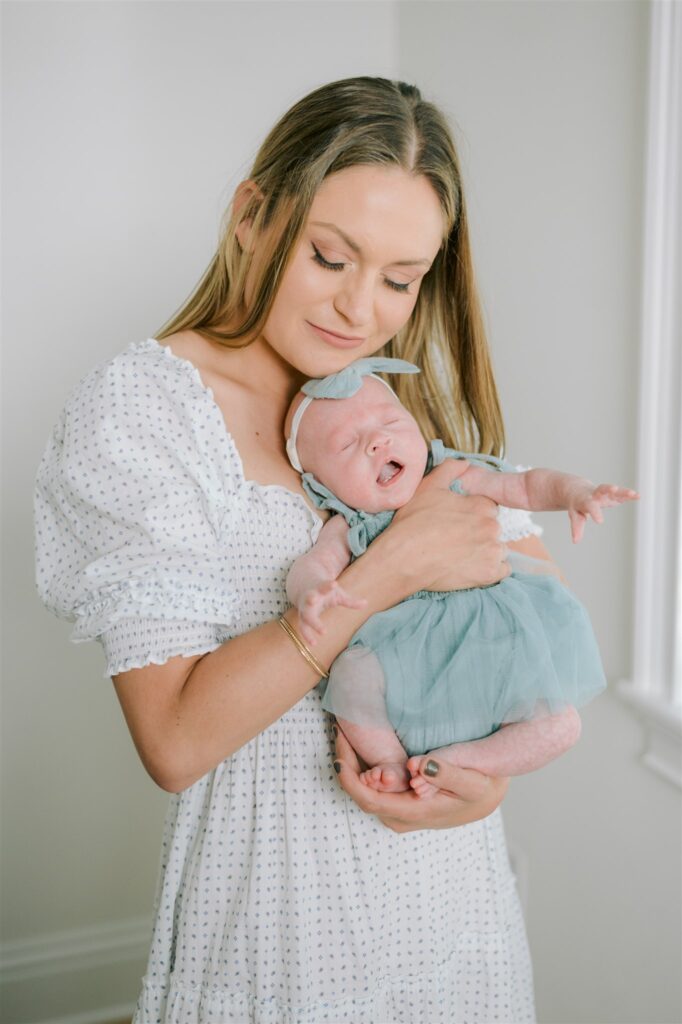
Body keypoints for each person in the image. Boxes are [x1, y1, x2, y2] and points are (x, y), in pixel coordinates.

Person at [33, 76, 556, 1022]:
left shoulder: (400, 400)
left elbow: (534, 624)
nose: (360, 308)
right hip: (275, 907)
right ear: (251, 216)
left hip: (449, 895)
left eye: (400, 279)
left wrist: (477, 790)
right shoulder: (146, 409)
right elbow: (177, 741)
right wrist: (388, 569)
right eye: (329, 257)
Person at [282, 356, 637, 797]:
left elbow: (526, 486)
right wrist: (311, 592)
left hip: (489, 642)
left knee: (562, 726)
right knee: (351, 676)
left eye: (391, 422)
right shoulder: (349, 524)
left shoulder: (457, 476)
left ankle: (461, 760)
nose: (377, 441)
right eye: (348, 444)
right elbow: (313, 565)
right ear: (322, 486)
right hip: (402, 659)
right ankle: (394, 763)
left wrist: (574, 492)